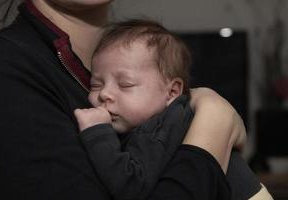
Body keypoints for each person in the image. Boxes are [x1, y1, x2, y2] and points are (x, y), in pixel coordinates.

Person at [0, 0, 270, 199]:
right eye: (99, 84)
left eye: (125, 83)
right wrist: (212, 128)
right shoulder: (4, 67)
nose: (106, 94)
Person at [74, 19, 273, 200]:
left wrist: (97, 133)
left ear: (172, 92)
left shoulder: (159, 129)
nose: (104, 94)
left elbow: (131, 187)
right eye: (95, 85)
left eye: (125, 84)